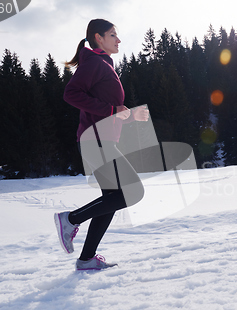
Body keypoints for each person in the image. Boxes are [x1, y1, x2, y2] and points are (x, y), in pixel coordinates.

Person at [54, 19, 149, 271]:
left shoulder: (103, 62)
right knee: (131, 192)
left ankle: (86, 259)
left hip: (101, 139)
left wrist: (128, 115)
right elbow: (71, 93)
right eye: (112, 35)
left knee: (113, 198)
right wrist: (112, 109)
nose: (118, 40)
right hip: (95, 140)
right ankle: (70, 219)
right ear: (98, 37)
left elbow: (108, 109)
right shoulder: (95, 62)